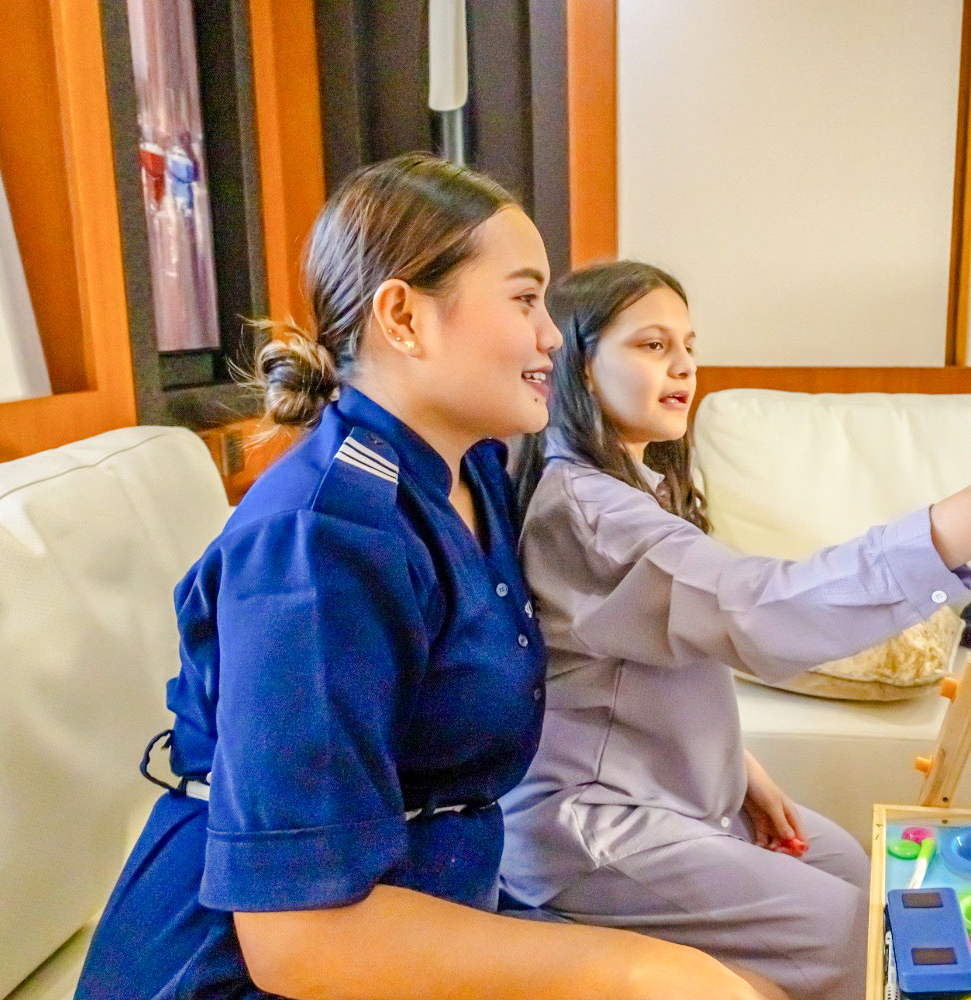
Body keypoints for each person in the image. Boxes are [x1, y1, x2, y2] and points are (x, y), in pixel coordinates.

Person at [74, 157, 772, 1000]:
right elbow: (299, 941)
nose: (552, 337)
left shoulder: (474, 474)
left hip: (433, 896)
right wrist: (631, 966)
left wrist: (733, 763)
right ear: (404, 317)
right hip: (254, 966)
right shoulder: (318, 544)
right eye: (525, 300)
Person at [502, 260, 971, 1000]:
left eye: (688, 344)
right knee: (853, 936)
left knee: (849, 864)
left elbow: (666, 654)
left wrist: (738, 768)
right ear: (578, 364)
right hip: (591, 825)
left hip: (665, 790)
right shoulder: (589, 512)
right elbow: (760, 610)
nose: (684, 365)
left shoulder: (630, 487)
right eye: (653, 345)